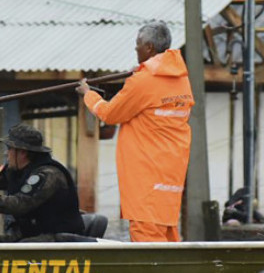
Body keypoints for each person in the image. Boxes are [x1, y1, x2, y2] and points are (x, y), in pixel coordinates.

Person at [75, 21, 194, 243]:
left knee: (147, 241)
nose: (135, 49)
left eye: (137, 45)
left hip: (146, 175)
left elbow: (110, 113)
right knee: (168, 234)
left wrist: (88, 94)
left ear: (149, 47)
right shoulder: (180, 78)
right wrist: (138, 75)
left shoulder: (144, 81)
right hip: (170, 175)